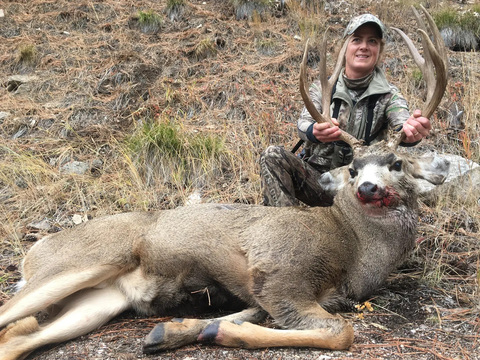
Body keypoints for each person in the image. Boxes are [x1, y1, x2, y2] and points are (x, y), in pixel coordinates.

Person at [260, 14, 431, 207]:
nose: (364, 46)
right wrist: (314, 131)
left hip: (363, 186)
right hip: (321, 182)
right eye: (356, 39)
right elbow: (303, 124)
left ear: (379, 50)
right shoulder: (322, 88)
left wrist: (412, 131)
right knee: (272, 156)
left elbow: (403, 123)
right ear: (344, 48)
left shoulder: (389, 95)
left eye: (372, 41)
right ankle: (285, 229)